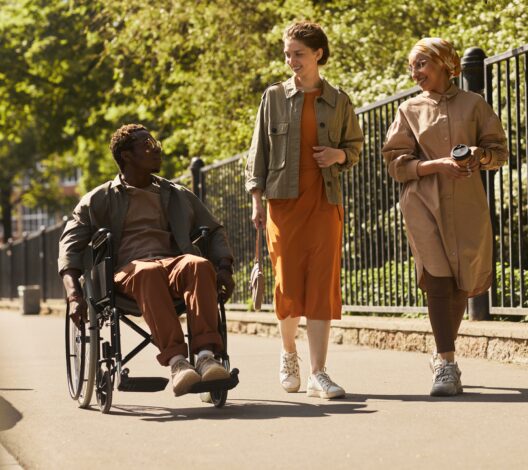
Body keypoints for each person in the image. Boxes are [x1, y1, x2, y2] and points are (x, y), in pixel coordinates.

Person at [58, 123, 235, 397]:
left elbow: (213, 230)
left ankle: (205, 357)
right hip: (128, 273)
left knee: (198, 264)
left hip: (172, 265)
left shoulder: (176, 194)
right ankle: (178, 363)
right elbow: (70, 247)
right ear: (127, 156)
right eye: (148, 145)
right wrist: (74, 296)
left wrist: (224, 267)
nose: (157, 150)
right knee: (147, 271)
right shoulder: (99, 199)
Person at [382, 38, 508, 396]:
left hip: (467, 202)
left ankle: (441, 355)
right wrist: (435, 164)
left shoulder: (475, 104)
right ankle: (448, 364)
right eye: (413, 66)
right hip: (423, 201)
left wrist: (478, 157)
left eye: (421, 63)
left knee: (460, 281)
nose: (415, 72)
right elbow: (395, 163)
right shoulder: (409, 109)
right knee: (437, 277)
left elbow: (499, 152)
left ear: (443, 63)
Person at [245, 21, 363, 399]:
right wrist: (255, 200)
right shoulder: (274, 97)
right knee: (288, 283)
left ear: (318, 54)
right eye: (287, 54)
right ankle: (288, 353)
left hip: (324, 202)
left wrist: (338, 154)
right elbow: (257, 154)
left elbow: (355, 147)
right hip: (283, 204)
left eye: (298, 53)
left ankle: (319, 372)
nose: (291, 60)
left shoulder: (339, 99)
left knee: (322, 285)